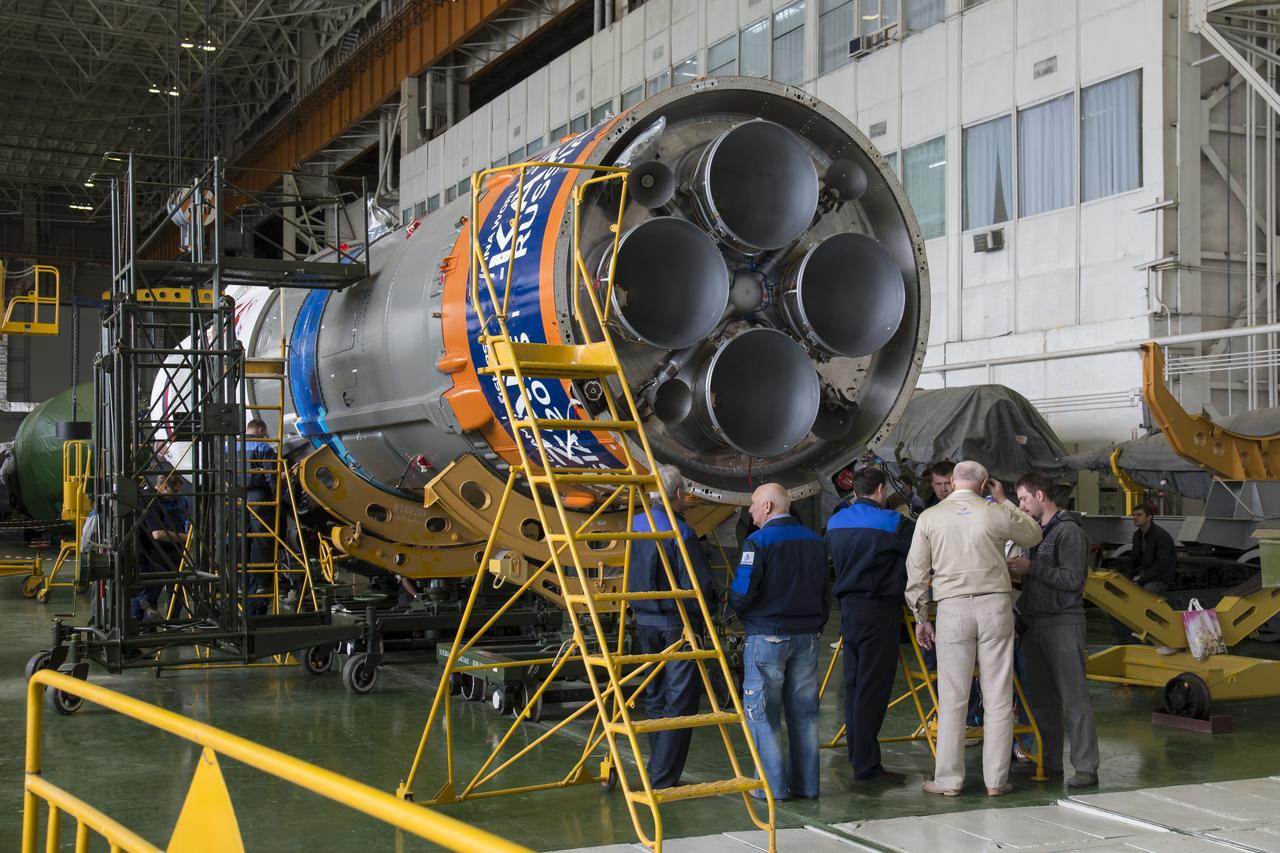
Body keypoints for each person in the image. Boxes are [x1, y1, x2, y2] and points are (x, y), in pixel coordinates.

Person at [905, 460, 1042, 797]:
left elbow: (917, 572)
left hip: (952, 609)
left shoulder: (930, 517)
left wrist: (921, 616)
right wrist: (1004, 500)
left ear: (951, 482)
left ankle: (949, 780)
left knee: (953, 697)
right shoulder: (995, 512)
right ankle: (997, 781)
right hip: (995, 605)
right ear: (984, 484)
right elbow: (1034, 533)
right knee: (998, 695)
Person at [730, 482, 830, 801]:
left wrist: (737, 609)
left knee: (763, 712)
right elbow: (826, 591)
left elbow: (743, 591)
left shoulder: (757, 542)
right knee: (804, 713)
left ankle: (771, 787)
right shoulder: (816, 541)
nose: (750, 510)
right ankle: (808, 785)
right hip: (808, 637)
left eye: (754, 504)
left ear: (769, 507)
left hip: (767, 635)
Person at [1008, 473, 1100, 788]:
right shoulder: (1035, 534)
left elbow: (1074, 579)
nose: (1021, 506)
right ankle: (1047, 762)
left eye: (1022, 499)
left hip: (1062, 622)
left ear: (1039, 496)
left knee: (1074, 697)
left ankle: (1086, 768)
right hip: (1035, 623)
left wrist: (1031, 568)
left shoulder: (1069, 532)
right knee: (1041, 700)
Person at [628, 463, 715, 790]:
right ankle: (662, 778)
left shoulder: (634, 525)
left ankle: (656, 768)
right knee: (679, 702)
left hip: (644, 621)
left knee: (656, 695)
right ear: (678, 494)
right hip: (677, 624)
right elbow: (699, 582)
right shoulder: (683, 532)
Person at [827, 467, 914, 784]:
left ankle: (857, 756)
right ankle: (867, 766)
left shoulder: (835, 521)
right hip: (879, 611)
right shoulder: (893, 522)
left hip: (848, 611)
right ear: (880, 490)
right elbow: (923, 549)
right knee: (873, 690)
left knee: (853, 687)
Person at [1112, 502, 1178, 644]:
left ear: (1149, 517)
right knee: (1117, 596)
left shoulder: (1161, 537)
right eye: (1134, 515)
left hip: (1160, 578)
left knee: (1145, 594)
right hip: (1145, 575)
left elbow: (1161, 566)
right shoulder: (1138, 535)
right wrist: (1125, 580)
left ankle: (1145, 636)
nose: (1135, 518)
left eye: (1139, 515)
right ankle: (1124, 637)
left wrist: (1140, 580)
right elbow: (1133, 560)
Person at [135, 476, 190, 623]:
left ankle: (169, 624)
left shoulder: (174, 500)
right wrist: (187, 538)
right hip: (151, 553)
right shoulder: (150, 500)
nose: (176, 495)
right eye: (175, 491)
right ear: (164, 487)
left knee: (175, 590)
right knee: (148, 591)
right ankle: (141, 625)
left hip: (168, 551)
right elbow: (157, 533)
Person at [241, 418, 277, 615]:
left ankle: (239, 581)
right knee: (262, 538)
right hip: (258, 496)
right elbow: (271, 476)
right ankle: (263, 583)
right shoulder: (263, 446)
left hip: (236, 496)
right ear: (261, 429)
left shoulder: (231, 445)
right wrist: (278, 496)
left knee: (240, 538)